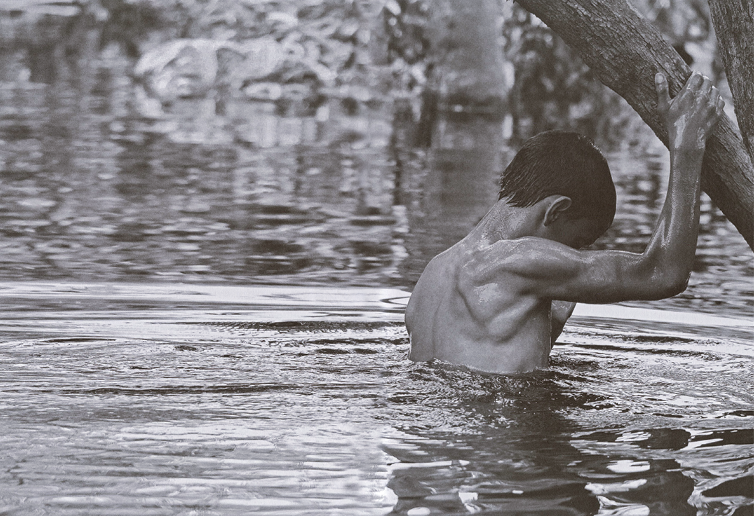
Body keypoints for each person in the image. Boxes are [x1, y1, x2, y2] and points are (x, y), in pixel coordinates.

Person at [405, 71, 725, 374]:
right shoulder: (518, 261)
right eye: (578, 243)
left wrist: (549, 325)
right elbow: (664, 273)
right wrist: (687, 145)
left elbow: (481, 361)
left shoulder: (433, 277)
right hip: (509, 425)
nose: (572, 256)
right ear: (555, 211)